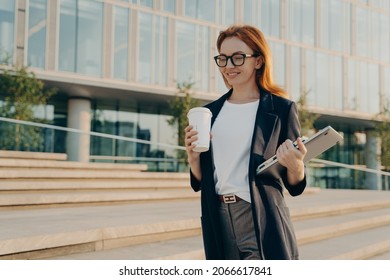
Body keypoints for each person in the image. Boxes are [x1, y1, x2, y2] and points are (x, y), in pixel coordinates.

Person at [184, 24, 307, 260]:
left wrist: (297, 164)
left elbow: (295, 185)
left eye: (238, 58)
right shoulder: (210, 112)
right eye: (223, 58)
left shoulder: (281, 109)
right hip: (217, 215)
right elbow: (202, 180)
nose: (229, 66)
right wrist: (193, 158)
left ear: (258, 61)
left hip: (259, 214)